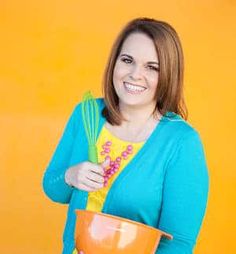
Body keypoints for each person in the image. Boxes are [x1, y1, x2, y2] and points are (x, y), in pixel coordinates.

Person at [42, 17, 209, 254]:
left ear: (169, 75)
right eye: (127, 60)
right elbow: (53, 189)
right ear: (114, 63)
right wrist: (71, 176)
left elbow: (179, 244)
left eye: (152, 67)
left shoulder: (182, 143)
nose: (135, 74)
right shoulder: (86, 114)